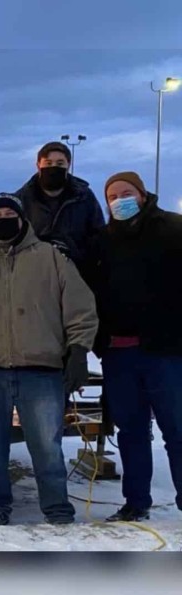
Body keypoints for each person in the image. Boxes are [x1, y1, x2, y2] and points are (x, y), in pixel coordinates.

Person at [0, 193, 98, 526]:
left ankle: (57, 511)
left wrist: (79, 350)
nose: (4, 219)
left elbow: (80, 308)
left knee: (47, 449)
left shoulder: (51, 259)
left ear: (22, 219)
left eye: (11, 213)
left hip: (42, 372)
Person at [89, 172, 182, 522]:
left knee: (177, 430)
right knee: (131, 433)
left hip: (166, 352)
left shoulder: (173, 230)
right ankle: (136, 502)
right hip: (118, 354)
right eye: (112, 196)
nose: (119, 200)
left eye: (126, 193)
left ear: (142, 195)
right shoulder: (102, 241)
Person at [13, 141, 104, 274]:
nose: (54, 167)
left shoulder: (84, 197)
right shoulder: (21, 199)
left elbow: (98, 234)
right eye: (48, 163)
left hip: (77, 273)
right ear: (38, 165)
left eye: (60, 163)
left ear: (68, 165)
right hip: (33, 274)